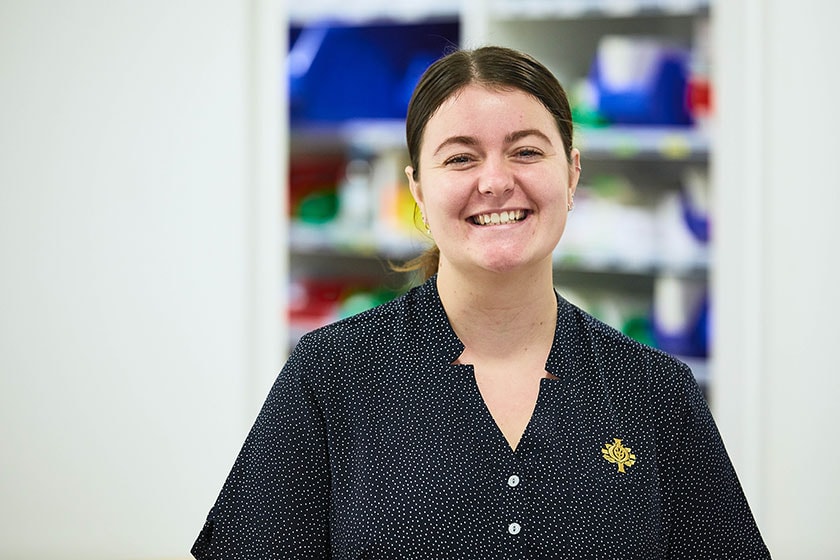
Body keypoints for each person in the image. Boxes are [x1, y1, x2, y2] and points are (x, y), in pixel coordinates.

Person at [192, 46, 770, 559]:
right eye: (461, 158)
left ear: (570, 175)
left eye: (525, 152)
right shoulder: (332, 376)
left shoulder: (653, 392)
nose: (494, 182)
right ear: (418, 189)